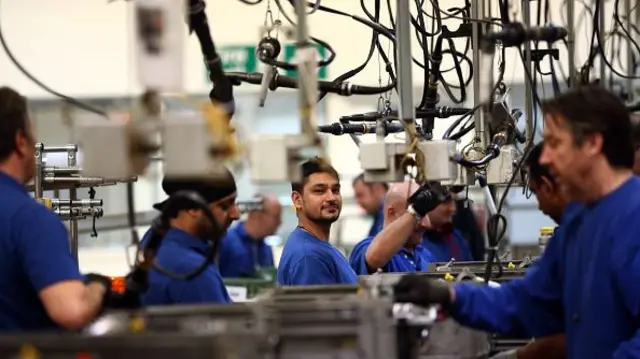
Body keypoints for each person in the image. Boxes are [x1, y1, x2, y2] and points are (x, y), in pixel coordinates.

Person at [394, 85, 640, 359]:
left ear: (593, 143)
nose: (545, 158)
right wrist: (450, 296)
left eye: (555, 143)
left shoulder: (632, 218)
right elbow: (527, 302)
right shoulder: (579, 224)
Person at [0, 87, 111, 331]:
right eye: (32, 136)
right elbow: (72, 311)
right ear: (20, 142)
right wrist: (97, 287)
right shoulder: (29, 219)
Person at [491, 142, 568, 359]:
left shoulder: (618, 224)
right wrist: (453, 296)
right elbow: (526, 300)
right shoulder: (569, 237)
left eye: (535, 192)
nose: (540, 207)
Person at [141, 171, 241, 305]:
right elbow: (222, 324)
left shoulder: (155, 238)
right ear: (193, 208)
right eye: (224, 206)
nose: (236, 214)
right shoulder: (192, 271)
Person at [277, 157, 358, 285]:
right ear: (297, 200)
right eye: (319, 191)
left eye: (335, 190)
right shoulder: (309, 258)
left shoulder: (319, 247)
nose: (331, 198)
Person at [349, 180, 436, 274]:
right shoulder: (364, 248)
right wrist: (415, 212)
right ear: (392, 213)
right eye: (417, 216)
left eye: (425, 213)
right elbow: (375, 257)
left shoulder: (425, 255)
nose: (426, 224)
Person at [218, 195, 281, 278]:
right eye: (276, 216)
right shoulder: (225, 241)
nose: (280, 222)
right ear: (256, 214)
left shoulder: (266, 249)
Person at [421, 188, 475, 262]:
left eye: (454, 202)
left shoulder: (457, 238)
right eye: (446, 202)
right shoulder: (414, 241)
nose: (453, 208)